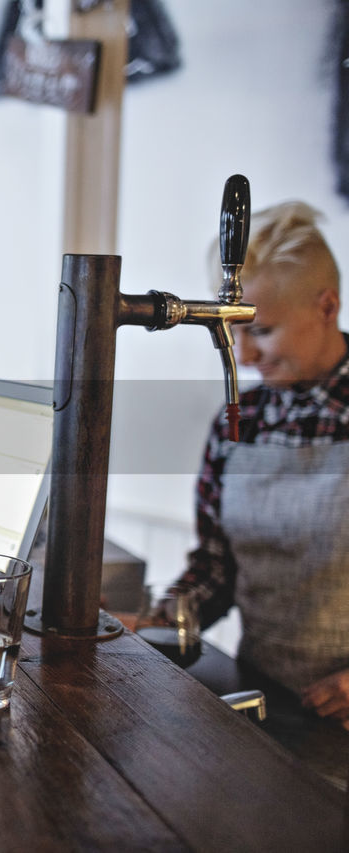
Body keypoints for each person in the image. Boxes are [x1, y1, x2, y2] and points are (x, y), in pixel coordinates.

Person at [178, 200, 349, 726]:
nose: (245, 356)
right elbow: (216, 568)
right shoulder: (240, 419)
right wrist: (165, 617)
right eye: (236, 331)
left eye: (263, 330)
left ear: (327, 307)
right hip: (260, 699)